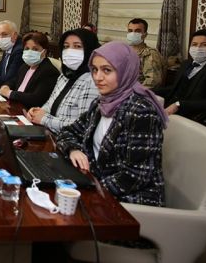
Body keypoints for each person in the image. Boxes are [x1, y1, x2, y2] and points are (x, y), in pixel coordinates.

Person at [57, 41, 166, 206]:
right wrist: (73, 149)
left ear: (125, 71)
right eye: (95, 69)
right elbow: (68, 131)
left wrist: (90, 190)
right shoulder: (101, 102)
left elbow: (136, 175)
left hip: (131, 198)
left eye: (107, 70)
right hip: (97, 182)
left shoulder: (141, 111)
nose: (97, 77)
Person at [25, 28, 100, 133]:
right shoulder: (65, 75)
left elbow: (82, 127)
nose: (70, 51)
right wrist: (37, 112)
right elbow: (50, 103)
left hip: (67, 140)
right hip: (49, 132)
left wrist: (44, 119)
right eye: (66, 46)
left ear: (89, 49)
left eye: (77, 46)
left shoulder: (93, 82)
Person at [155, 29, 206, 119]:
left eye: (204, 45)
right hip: (169, 109)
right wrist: (148, 91)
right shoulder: (186, 64)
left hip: (193, 116)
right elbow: (175, 88)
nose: (198, 48)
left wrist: (179, 104)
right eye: (194, 44)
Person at [0, 32, 60, 108]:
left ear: (44, 52)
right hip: (14, 105)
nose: (30, 52)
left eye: (35, 49)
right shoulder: (25, 66)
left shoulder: (49, 71)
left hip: (29, 111)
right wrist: (6, 86)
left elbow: (36, 99)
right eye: (27, 49)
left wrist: (9, 93)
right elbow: (14, 81)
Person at [126, 18, 164, 88]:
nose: (133, 34)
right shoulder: (125, 51)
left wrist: (133, 92)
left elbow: (153, 81)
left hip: (136, 92)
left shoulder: (150, 54)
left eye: (137, 31)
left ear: (145, 34)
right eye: (130, 31)